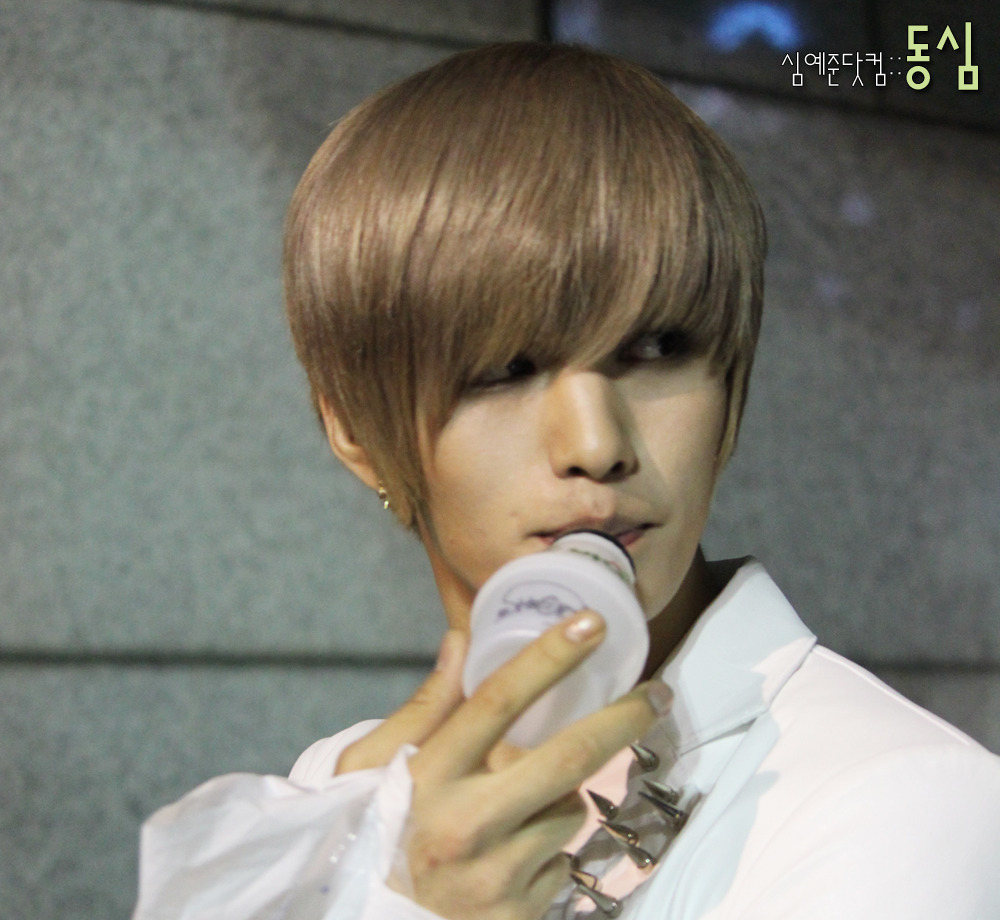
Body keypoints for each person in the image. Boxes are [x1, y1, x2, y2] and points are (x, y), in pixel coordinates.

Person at [132, 42, 1000, 920]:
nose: (596, 444)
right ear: (355, 429)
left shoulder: (901, 799)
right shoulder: (338, 798)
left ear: (731, 385)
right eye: (505, 368)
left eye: (656, 349)